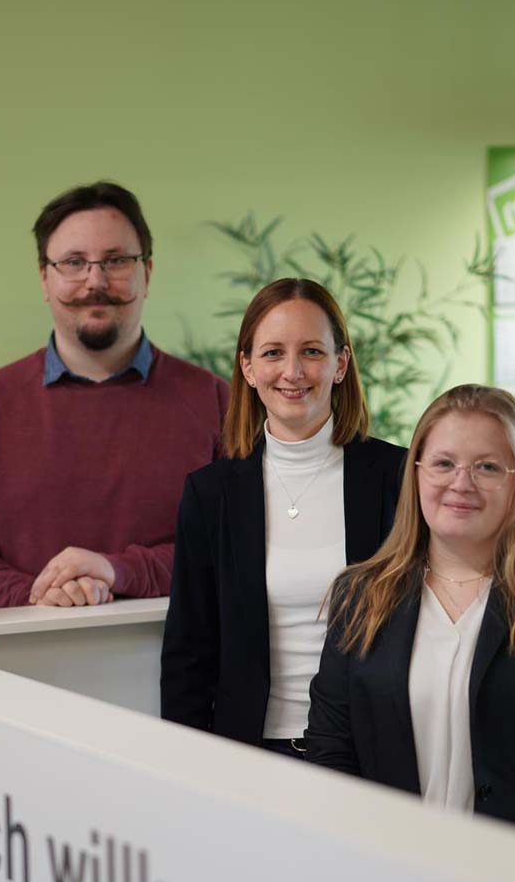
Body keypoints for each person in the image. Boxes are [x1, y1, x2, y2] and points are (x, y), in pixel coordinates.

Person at [305, 384, 515, 842]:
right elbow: (331, 747)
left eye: (487, 467)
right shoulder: (360, 596)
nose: (461, 483)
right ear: (416, 472)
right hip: (391, 862)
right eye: (443, 463)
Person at [0, 181, 228, 610]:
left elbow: (236, 539)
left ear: (147, 273)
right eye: (74, 262)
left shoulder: (215, 400)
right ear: (45, 278)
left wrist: (118, 570)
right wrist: (37, 597)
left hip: (175, 649)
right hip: (19, 648)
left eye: (116, 260)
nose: (96, 281)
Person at [160, 278, 406, 754]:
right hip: (250, 752)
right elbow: (189, 653)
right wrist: (184, 762)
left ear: (341, 364)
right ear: (248, 368)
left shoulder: (398, 477)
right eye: (273, 353)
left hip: (368, 750)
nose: (292, 371)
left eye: (311, 351)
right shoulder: (210, 494)